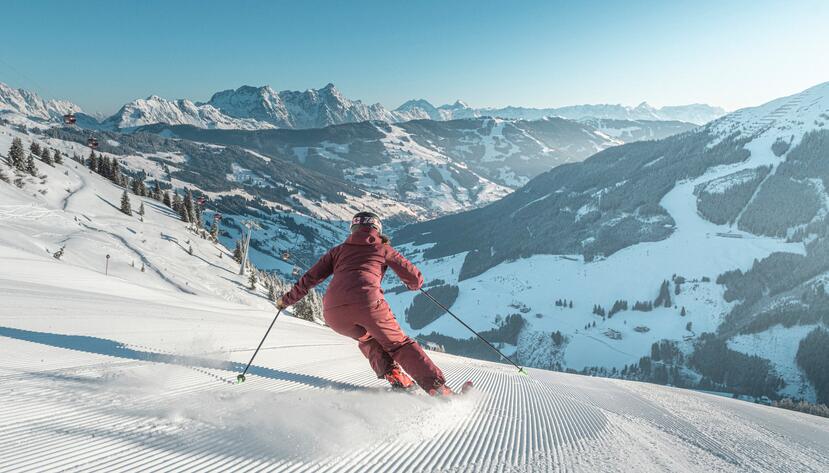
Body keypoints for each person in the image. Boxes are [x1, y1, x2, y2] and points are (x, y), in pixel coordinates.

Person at [277, 211, 453, 396]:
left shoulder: (337, 251)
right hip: (368, 304)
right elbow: (415, 280)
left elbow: (310, 278)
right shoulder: (383, 249)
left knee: (369, 338)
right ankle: (438, 388)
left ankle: (395, 376)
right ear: (377, 229)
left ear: (353, 228)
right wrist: (412, 284)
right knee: (399, 344)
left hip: (333, 313)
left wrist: (285, 301)